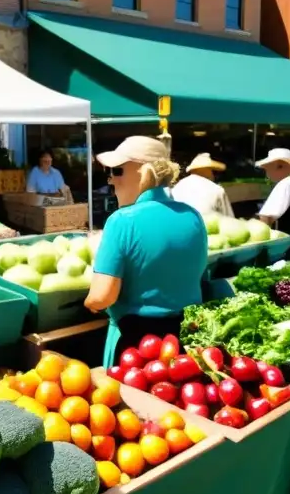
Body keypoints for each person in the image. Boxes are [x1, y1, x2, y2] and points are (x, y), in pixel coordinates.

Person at [85, 137, 207, 368]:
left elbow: (102, 296)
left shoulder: (122, 221)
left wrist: (91, 302)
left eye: (117, 171)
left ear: (143, 173)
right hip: (185, 343)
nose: (110, 179)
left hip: (136, 346)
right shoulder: (193, 216)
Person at [171, 153, 234, 217]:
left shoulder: (176, 187)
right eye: (211, 170)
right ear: (208, 170)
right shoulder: (216, 189)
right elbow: (229, 219)